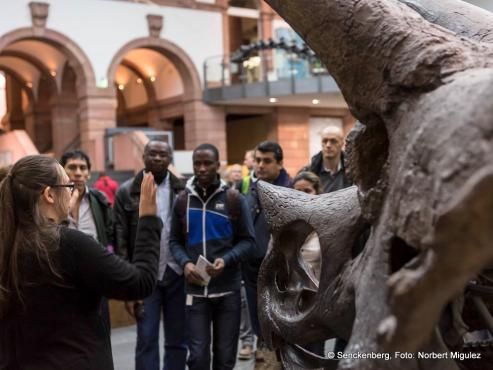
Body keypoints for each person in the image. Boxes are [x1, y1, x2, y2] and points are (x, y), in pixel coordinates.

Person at [0, 155, 161, 370]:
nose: (72, 192)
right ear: (49, 194)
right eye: (68, 185)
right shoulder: (69, 244)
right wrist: (148, 218)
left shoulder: (8, 244)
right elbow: (140, 282)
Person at [170, 143, 255, 370]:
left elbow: (248, 240)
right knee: (197, 357)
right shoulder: (183, 201)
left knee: (225, 357)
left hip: (228, 291)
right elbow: (174, 242)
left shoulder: (234, 199)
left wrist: (226, 260)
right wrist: (185, 263)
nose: (202, 168)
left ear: (218, 165)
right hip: (196, 292)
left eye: (208, 163)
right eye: (197, 163)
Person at [114, 140, 187, 370]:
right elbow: (121, 240)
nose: (157, 158)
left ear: (170, 159)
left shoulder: (183, 190)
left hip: (177, 274)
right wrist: (128, 285)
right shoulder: (126, 192)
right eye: (152, 154)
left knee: (178, 340)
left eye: (162, 154)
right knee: (146, 339)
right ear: (143, 156)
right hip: (145, 277)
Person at [240, 141, 292, 365]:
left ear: (279, 163)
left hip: (282, 276)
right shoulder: (251, 188)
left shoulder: (291, 190)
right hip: (252, 272)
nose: (260, 165)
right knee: (261, 330)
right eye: (258, 160)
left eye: (267, 161)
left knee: (284, 332)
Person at [60, 150, 115, 330]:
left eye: (82, 168)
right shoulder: (53, 203)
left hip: (96, 279)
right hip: (64, 282)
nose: (77, 172)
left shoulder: (99, 201)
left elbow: (109, 235)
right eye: (72, 167)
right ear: (62, 171)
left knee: (100, 332)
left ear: (89, 173)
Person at [303, 126, 351, 193]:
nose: (328, 145)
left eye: (333, 141)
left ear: (342, 144)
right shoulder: (309, 172)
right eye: (325, 141)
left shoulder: (353, 171)